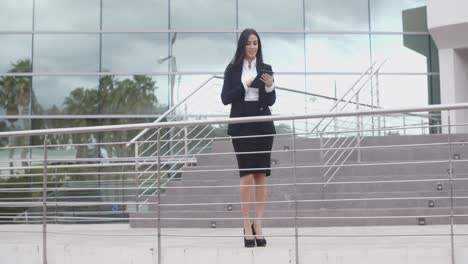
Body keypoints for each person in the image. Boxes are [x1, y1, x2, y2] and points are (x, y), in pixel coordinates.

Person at [221, 28, 276, 247]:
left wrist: (270, 85)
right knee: (246, 176)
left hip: (262, 124)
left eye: (256, 43)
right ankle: (246, 225)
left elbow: (270, 101)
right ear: (242, 45)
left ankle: (258, 224)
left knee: (261, 176)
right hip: (242, 125)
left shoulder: (266, 69)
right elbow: (225, 98)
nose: (253, 46)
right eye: (249, 43)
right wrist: (246, 84)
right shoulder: (232, 70)